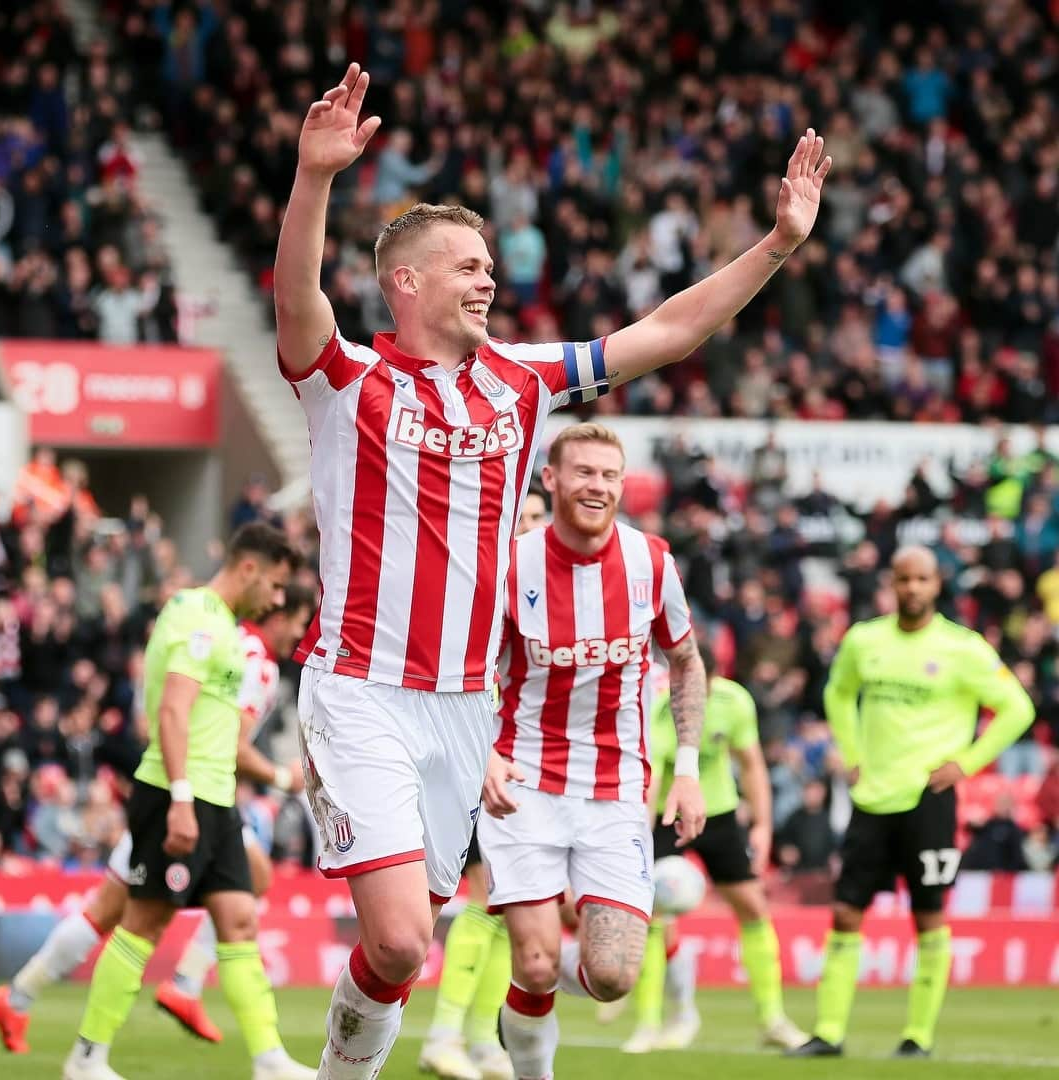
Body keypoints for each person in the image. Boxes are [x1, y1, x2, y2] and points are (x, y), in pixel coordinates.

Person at [273, 61, 829, 1080]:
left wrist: (777, 247)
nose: (488, 279)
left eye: (489, 265)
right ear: (407, 282)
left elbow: (665, 332)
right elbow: (296, 301)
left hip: (463, 709)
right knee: (397, 940)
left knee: (413, 948)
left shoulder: (520, 384)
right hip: (359, 688)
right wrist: (315, 180)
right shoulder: (350, 379)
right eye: (466, 266)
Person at [0, 583, 315, 1053]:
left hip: (176, 787)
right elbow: (234, 746)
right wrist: (284, 778)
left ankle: (19, 996)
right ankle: (180, 988)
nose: (300, 637)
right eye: (301, 624)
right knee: (193, 900)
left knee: (109, 910)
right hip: (190, 796)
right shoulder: (255, 663)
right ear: (277, 614)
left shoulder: (221, 635)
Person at [475, 422, 706, 1080]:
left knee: (611, 977)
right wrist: (484, 754)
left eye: (609, 475)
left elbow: (687, 663)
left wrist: (686, 772)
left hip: (616, 791)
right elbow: (466, 670)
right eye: (583, 473)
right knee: (539, 962)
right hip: (525, 785)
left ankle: (523, 1003)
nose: (597, 487)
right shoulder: (510, 565)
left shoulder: (651, 562)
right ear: (550, 479)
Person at [57, 524, 316, 1080]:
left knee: (240, 919)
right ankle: (85, 1058)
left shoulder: (222, 624)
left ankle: (269, 1060)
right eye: (274, 586)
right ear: (249, 568)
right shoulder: (197, 616)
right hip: (180, 793)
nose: (276, 600)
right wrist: (178, 799)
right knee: (142, 923)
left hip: (216, 798)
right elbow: (171, 713)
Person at [788, 546, 1035, 1059]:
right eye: (904, 579)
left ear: (936, 584)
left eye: (922, 579)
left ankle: (917, 1038)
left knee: (928, 915)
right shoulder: (864, 640)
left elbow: (1017, 708)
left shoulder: (962, 648)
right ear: (891, 583)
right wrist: (852, 753)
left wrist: (966, 764)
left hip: (929, 799)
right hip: (871, 797)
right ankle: (829, 1032)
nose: (913, 589)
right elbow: (837, 693)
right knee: (845, 912)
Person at [418, 488, 548, 1080]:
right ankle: (444, 1035)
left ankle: (478, 1039)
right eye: (520, 518)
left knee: (509, 902)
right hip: (472, 752)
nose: (529, 529)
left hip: (527, 760)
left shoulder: (552, 595)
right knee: (483, 889)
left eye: (538, 519)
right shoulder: (481, 583)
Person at [623, 644, 807, 1054]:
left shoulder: (735, 702)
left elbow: (752, 762)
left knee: (753, 908)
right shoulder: (658, 707)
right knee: (652, 915)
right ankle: (648, 1024)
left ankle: (772, 1018)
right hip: (670, 814)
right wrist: (640, 833)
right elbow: (651, 778)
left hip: (719, 812)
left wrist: (762, 826)